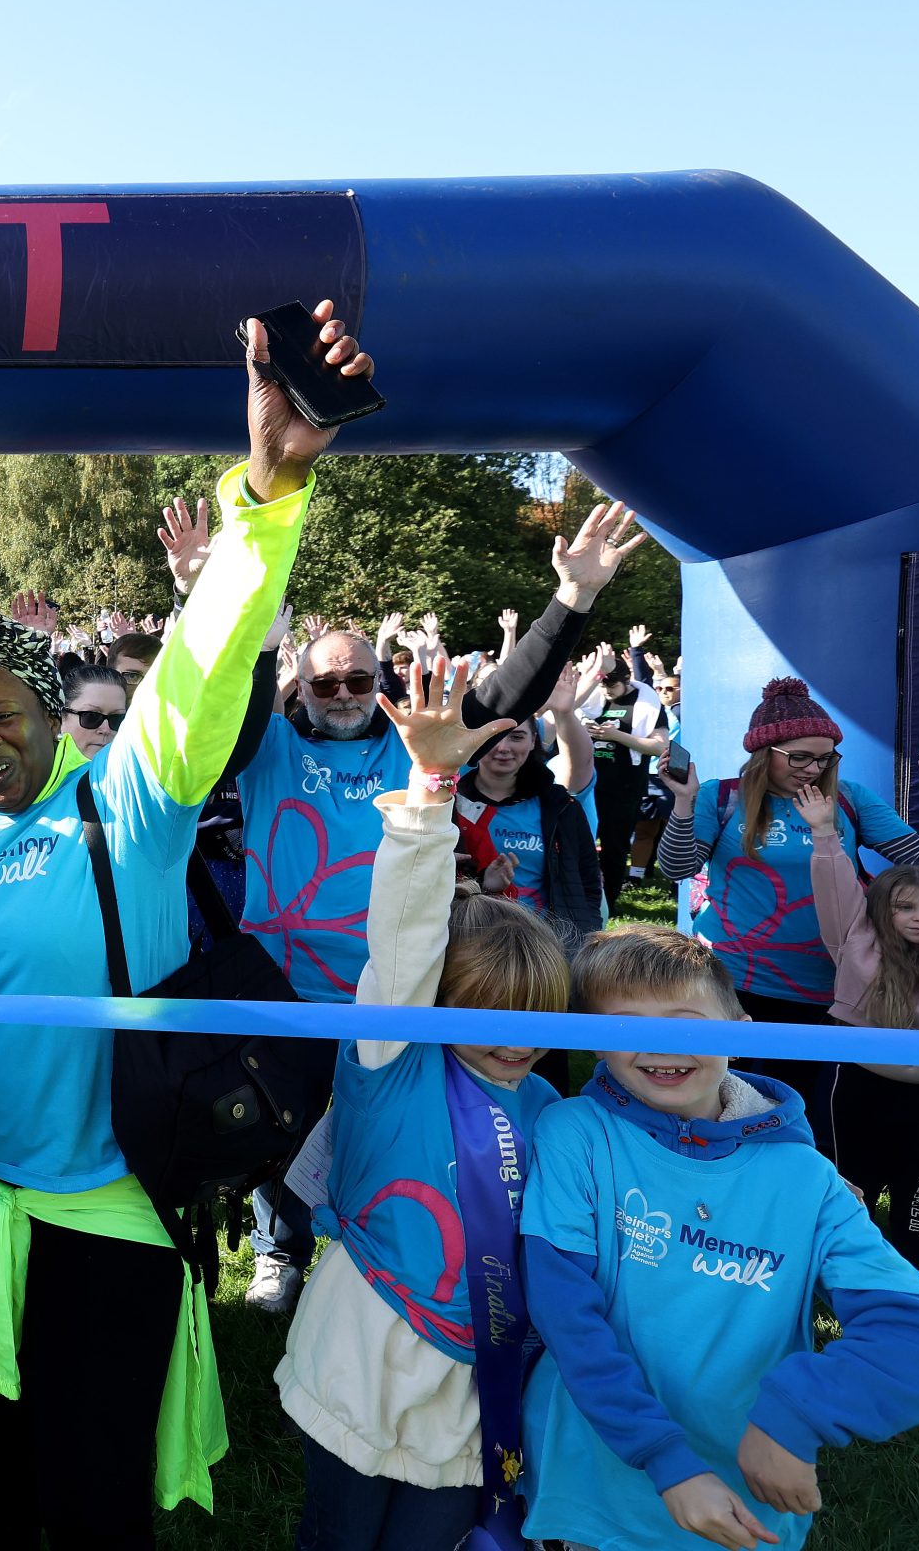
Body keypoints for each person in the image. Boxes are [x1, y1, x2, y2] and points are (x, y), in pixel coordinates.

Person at [0, 299, 361, 1551]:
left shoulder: (128, 805)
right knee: (2, 1479)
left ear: (52, 715)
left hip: (108, 1207)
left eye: (6, 715)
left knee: (93, 1503)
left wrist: (265, 491)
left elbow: (203, 664)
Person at [228, 475, 634, 1314]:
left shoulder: (418, 739)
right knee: (282, 1127)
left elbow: (508, 693)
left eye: (357, 681)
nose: (342, 695)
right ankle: (280, 1247)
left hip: (402, 981)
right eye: (325, 683)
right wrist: (251, 634)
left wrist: (572, 597)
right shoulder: (266, 745)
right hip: (284, 985)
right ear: (300, 689)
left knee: (388, 1134)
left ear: (380, 680)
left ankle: (369, 1251)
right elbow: (222, 711)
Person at [276, 658, 568, 1551]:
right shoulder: (392, 1057)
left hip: (473, 1391)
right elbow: (402, 937)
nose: (517, 1040)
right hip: (362, 1359)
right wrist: (432, 788)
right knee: (340, 1537)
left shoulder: (553, 1107)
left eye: (538, 1019)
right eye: (490, 1016)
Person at [520, 926, 919, 1551]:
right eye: (625, 1026)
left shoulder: (807, 1179)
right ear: (593, 1037)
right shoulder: (573, 1133)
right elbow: (568, 1318)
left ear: (741, 1022)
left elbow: (911, 1330)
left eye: (687, 1020)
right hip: (595, 1493)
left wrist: (799, 1414)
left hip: (747, 1507)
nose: (661, 1045)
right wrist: (663, 1455)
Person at [655, 677, 919, 1158]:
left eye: (825, 758)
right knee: (724, 1104)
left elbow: (915, 861)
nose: (814, 769)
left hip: (824, 981)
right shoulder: (722, 799)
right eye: (799, 756)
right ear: (765, 753)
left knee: (798, 1115)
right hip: (732, 977)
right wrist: (682, 803)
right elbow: (677, 867)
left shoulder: (850, 800)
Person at [804, 791, 919, 1267]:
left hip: (917, 1099)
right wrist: (823, 830)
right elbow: (834, 883)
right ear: (881, 912)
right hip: (855, 1087)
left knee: (917, 1186)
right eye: (906, 907)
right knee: (851, 1177)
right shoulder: (857, 938)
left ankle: (915, 1270)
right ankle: (839, 1266)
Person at [452, 661, 604, 939]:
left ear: (534, 740)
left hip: (548, 948)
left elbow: (587, 882)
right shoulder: (451, 803)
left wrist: (564, 713)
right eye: (494, 737)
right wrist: (484, 886)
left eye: (517, 737)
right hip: (470, 943)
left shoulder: (557, 806)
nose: (503, 748)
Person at [587, 638, 672, 906]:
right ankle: (585, 897)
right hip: (589, 784)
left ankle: (608, 901)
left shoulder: (646, 702)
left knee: (614, 847)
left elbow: (660, 747)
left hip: (623, 786)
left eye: (611, 685)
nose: (606, 690)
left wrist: (617, 735)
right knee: (583, 843)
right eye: (602, 684)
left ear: (626, 679)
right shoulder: (595, 700)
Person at [60, 660, 129, 759]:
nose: (106, 729)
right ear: (61, 718)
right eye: (91, 716)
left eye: (117, 719)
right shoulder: (35, 769)